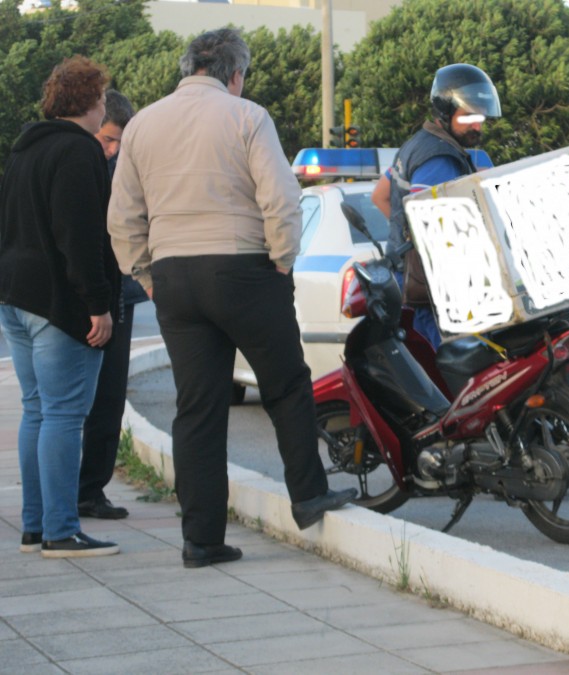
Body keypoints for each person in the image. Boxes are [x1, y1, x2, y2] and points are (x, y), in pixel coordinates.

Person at [107, 28, 355, 569]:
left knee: (197, 407)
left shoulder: (143, 123)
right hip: (243, 267)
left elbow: (122, 215)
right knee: (286, 383)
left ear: (186, 67)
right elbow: (281, 196)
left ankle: (201, 539)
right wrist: (283, 260)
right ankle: (309, 496)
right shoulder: (247, 117)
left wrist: (147, 274)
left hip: (173, 274)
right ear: (235, 73)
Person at [0, 56, 120, 558]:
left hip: (16, 297)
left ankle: (35, 527)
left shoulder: (24, 150)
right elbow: (82, 236)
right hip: (58, 303)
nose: (103, 108)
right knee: (67, 415)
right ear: (92, 102)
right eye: (102, 99)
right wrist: (99, 305)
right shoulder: (79, 153)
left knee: (37, 411)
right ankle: (61, 530)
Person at [371, 63, 501, 348]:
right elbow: (431, 223)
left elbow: (380, 195)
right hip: (433, 293)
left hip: (410, 282)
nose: (478, 125)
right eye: (468, 117)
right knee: (455, 371)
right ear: (445, 110)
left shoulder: (416, 145)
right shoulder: (440, 159)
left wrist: (405, 237)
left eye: (481, 118)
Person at [78, 89, 149, 520]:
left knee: (109, 398)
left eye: (120, 142)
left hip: (121, 294)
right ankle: (71, 488)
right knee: (74, 402)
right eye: (107, 140)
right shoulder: (78, 165)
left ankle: (91, 490)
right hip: (89, 299)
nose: (113, 151)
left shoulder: (130, 167)